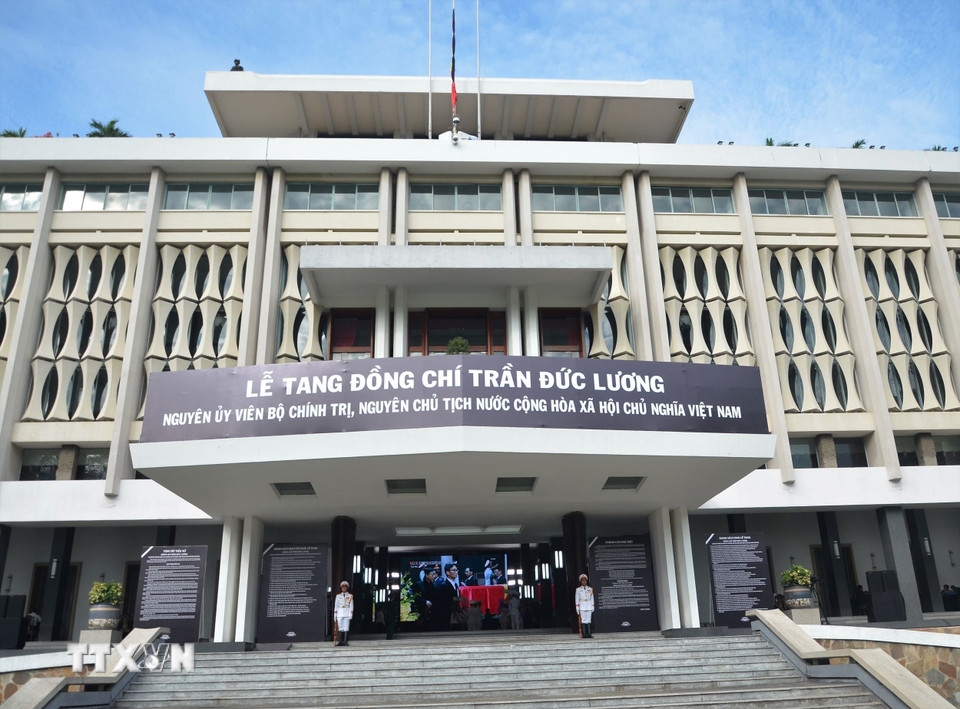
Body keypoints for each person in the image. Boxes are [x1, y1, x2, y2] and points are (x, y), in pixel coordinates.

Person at [575, 573, 595, 639]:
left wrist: (593, 606)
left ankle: (589, 634)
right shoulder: (578, 590)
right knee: (583, 620)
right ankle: (584, 634)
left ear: (586, 581)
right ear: (581, 581)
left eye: (585, 580)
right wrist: (577, 607)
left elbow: (592, 598)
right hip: (582, 606)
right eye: (582, 581)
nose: (584, 582)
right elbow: (577, 599)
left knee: (589, 620)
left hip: (589, 605)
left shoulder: (590, 589)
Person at [334, 581, 354, 646]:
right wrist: (335, 615)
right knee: (340, 628)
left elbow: (351, 605)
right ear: (341, 588)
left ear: (347, 588)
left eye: (345, 587)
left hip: (346, 612)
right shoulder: (338, 596)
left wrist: (350, 614)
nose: (344, 588)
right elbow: (336, 606)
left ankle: (345, 641)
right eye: (343, 587)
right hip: (340, 613)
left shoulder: (350, 596)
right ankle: (340, 641)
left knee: (346, 628)